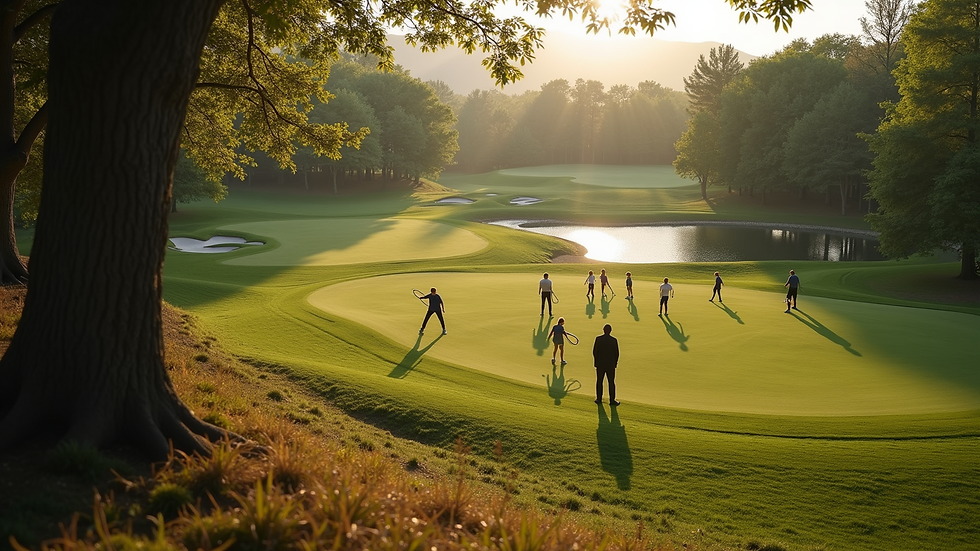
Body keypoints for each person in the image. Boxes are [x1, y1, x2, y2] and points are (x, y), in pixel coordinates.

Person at [592, 324, 620, 406]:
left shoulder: (598, 339)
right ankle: (612, 400)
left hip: (600, 364)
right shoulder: (614, 340)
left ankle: (599, 399)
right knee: (611, 382)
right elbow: (617, 353)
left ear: (603, 330)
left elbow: (595, 352)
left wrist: (596, 362)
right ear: (610, 331)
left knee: (599, 381)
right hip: (610, 365)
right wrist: (615, 363)